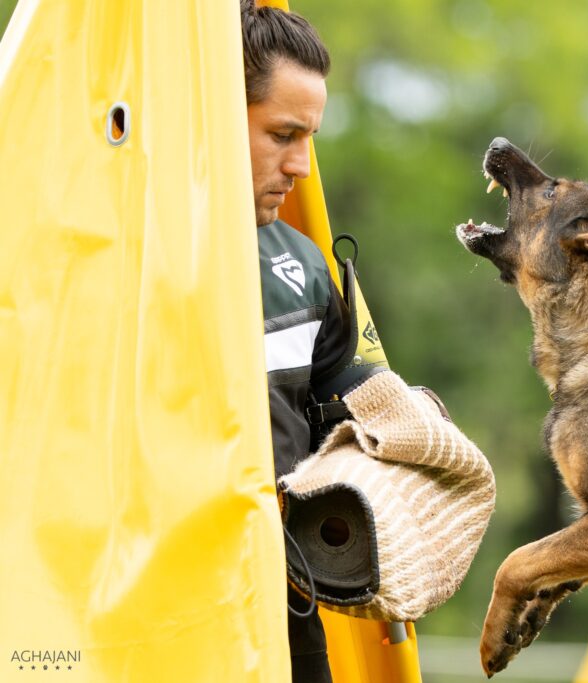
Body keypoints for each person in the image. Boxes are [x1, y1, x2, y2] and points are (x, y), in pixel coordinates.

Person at [241, 2, 348, 681]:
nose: (301, 166)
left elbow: (350, 386)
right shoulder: (94, 251)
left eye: (308, 137)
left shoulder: (305, 266)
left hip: (284, 602)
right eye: (283, 134)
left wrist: (412, 425)